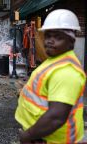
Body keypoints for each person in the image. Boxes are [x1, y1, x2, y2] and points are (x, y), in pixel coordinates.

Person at [15, 9, 86, 143]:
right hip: (43, 136)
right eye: (48, 36)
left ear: (71, 40)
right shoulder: (56, 59)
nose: (50, 41)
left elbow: (56, 117)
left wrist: (28, 135)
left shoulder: (67, 72)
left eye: (58, 37)